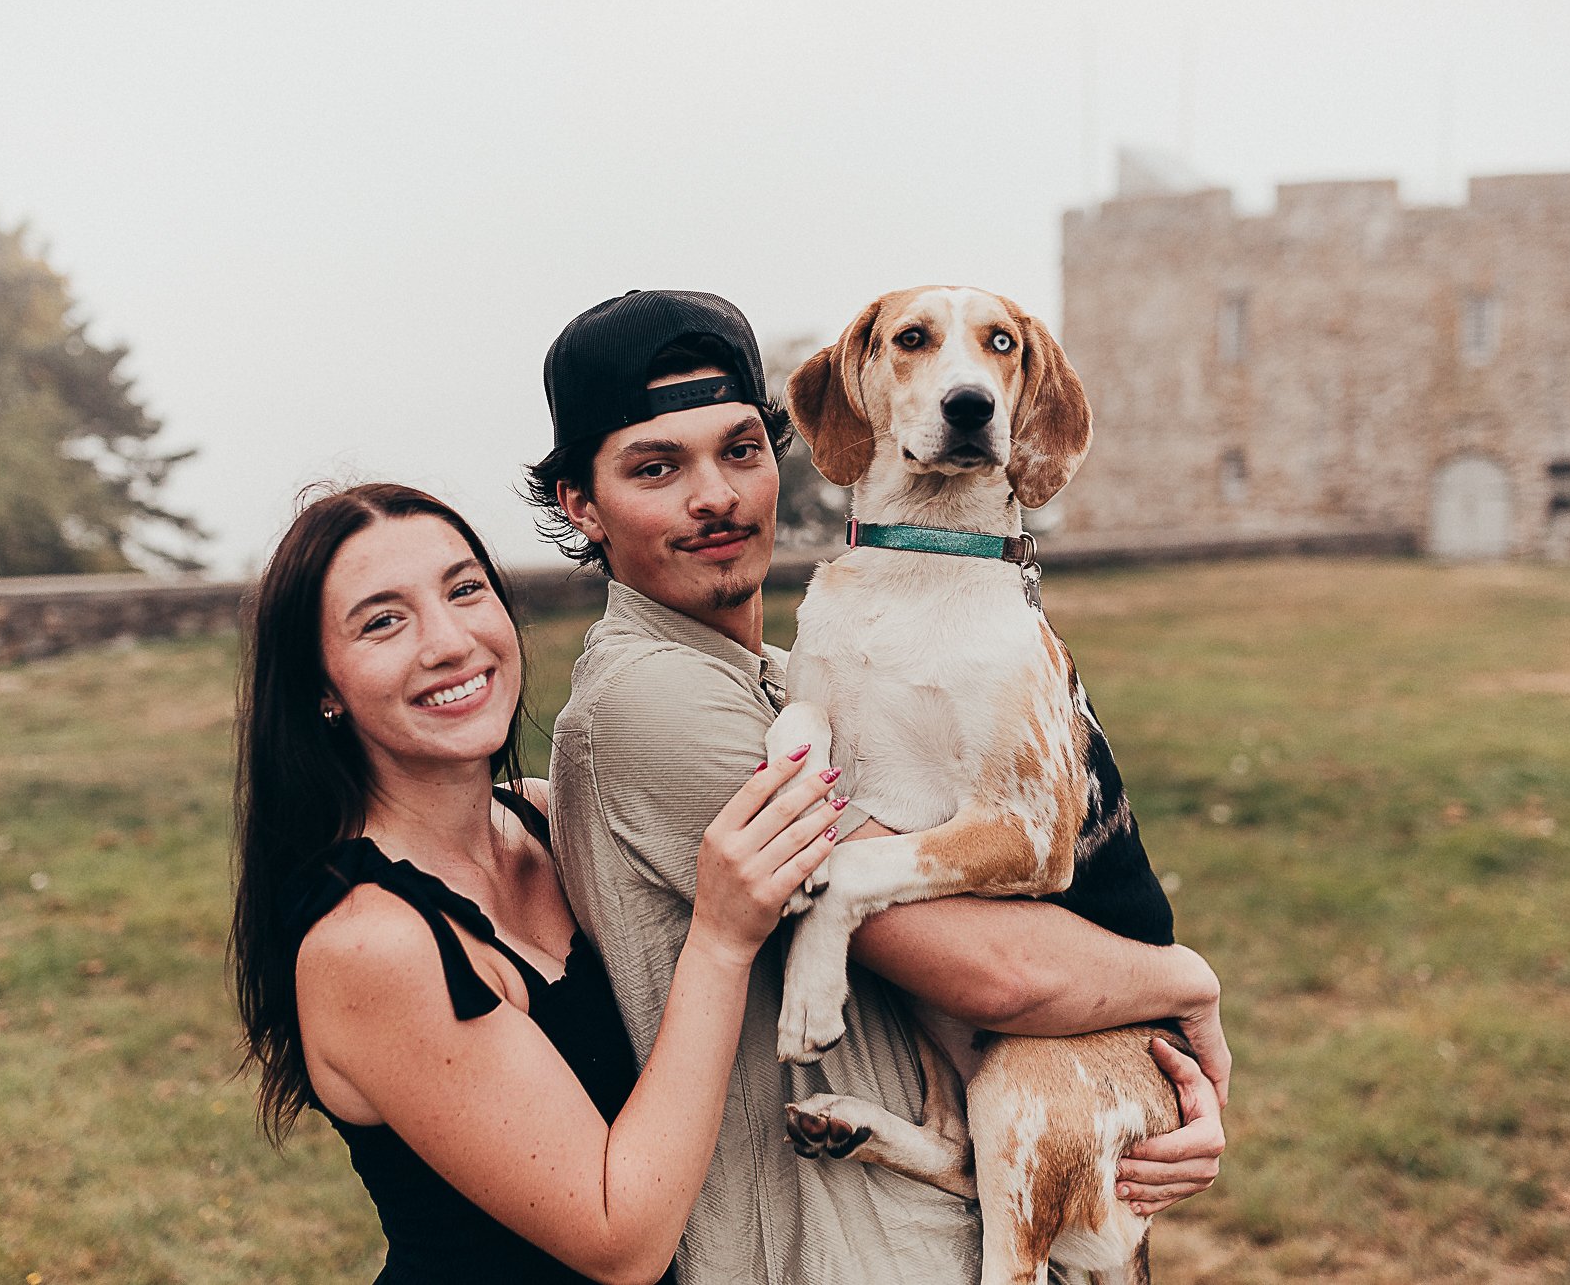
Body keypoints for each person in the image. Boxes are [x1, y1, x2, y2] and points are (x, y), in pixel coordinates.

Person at [524, 290, 1230, 1285]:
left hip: (961, 1188)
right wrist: (1184, 984)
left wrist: (1139, 1110)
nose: (715, 496)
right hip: (856, 1248)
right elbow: (999, 974)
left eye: (738, 449)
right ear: (581, 506)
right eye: (654, 468)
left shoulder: (776, 678)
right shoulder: (665, 704)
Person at [231, 481, 853, 1285]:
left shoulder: (537, 819)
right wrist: (721, 939)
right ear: (321, 687)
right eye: (384, 620)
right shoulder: (371, 943)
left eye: (465, 590)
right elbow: (619, 1238)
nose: (450, 641)